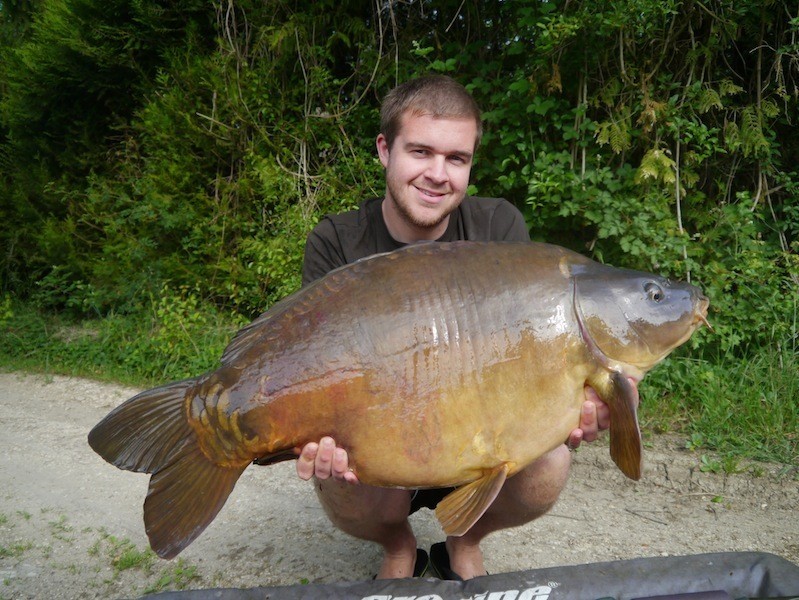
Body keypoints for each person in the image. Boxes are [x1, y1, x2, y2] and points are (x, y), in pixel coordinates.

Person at [295, 75, 635, 580]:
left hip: (476, 437)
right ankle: (396, 545)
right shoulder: (336, 242)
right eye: (421, 152)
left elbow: (539, 351)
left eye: (457, 159)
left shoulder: (499, 230)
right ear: (385, 150)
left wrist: (599, 391)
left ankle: (465, 536)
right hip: (385, 445)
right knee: (335, 470)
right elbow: (312, 367)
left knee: (550, 461)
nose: (438, 173)